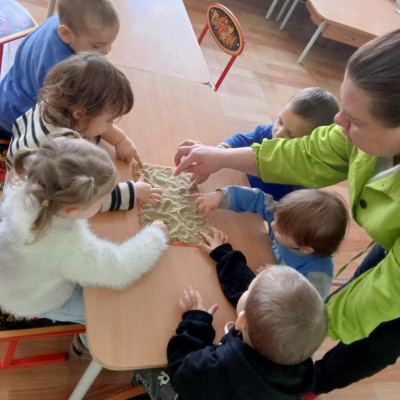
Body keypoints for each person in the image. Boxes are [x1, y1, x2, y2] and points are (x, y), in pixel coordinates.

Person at [173, 29, 400, 395]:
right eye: (342, 105)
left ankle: (308, 386)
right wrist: (218, 156)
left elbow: (388, 291)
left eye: (355, 121)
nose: (338, 122)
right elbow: (306, 155)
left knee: (378, 340)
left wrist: (290, 327)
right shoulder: (353, 129)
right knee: (362, 286)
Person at [0, 134, 168, 357]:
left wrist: (129, 191)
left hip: (17, 274)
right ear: (72, 210)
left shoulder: (28, 181)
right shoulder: (65, 245)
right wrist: (155, 236)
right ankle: (85, 345)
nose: (103, 201)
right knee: (108, 312)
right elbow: (120, 268)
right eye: (100, 200)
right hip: (32, 299)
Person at [164, 227, 328, 400]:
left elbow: (180, 372)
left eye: (249, 289)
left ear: (241, 321)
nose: (247, 288)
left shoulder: (220, 368)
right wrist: (224, 255)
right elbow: (259, 300)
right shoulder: (296, 361)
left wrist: (196, 321)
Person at [8, 52, 154, 212]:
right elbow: (83, 198)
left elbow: (89, 124)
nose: (110, 126)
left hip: (17, 161)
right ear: (79, 114)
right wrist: (133, 191)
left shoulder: (56, 103)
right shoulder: (62, 153)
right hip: (31, 198)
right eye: (109, 120)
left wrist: (120, 139)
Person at [193, 187, 348, 300]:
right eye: (275, 218)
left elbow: (306, 307)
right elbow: (257, 199)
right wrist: (220, 197)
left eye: (279, 231)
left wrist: (280, 278)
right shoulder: (285, 218)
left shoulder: (317, 275)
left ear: (306, 249)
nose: (272, 224)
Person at [0, 0, 123, 141]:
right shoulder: (63, 70)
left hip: (6, 97)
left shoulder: (68, 21)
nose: (106, 52)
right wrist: (119, 139)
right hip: (17, 122)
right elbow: (81, 116)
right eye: (96, 46)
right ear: (65, 33)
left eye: (110, 43)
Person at [217, 87, 339, 200]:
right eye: (280, 122)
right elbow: (240, 140)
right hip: (237, 188)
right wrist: (219, 150)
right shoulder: (267, 132)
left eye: (291, 135)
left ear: (309, 147)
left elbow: (285, 209)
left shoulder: (304, 181)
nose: (278, 133)